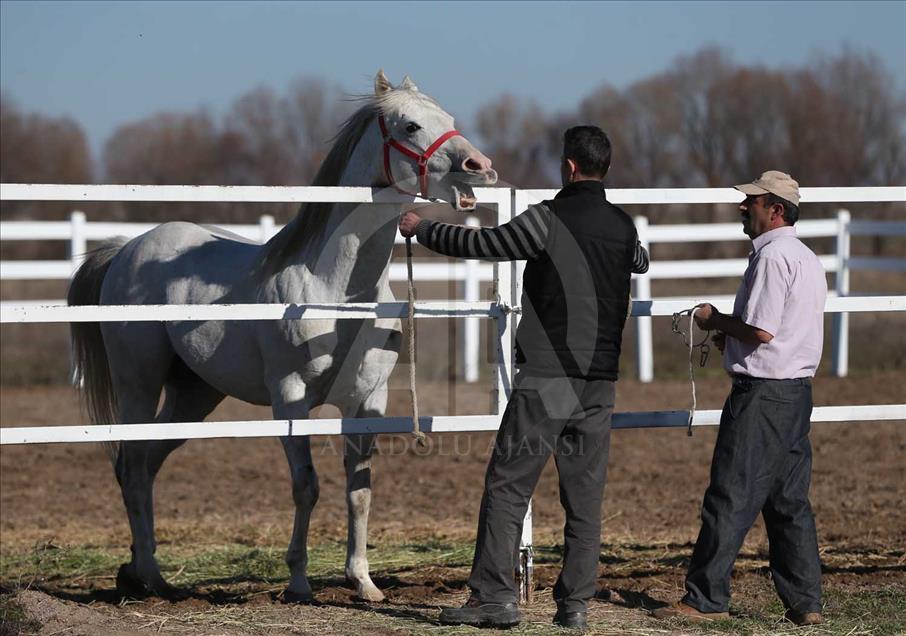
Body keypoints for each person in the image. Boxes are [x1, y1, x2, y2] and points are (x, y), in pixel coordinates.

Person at [399, 126, 650, 629]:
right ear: (604, 168)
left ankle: (494, 597)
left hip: (549, 375)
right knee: (584, 499)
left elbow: (488, 245)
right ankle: (575, 604)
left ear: (570, 167)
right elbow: (639, 261)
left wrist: (422, 228)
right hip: (600, 381)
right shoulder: (623, 227)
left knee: (509, 485)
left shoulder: (548, 219)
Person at [653, 171, 827, 626]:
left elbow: (762, 329)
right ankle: (806, 603)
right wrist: (732, 341)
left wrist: (715, 321)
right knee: (788, 500)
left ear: (776, 210)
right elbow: (782, 332)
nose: (742, 207)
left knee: (729, 494)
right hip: (795, 393)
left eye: (752, 201)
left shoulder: (771, 258)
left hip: (763, 397)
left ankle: (706, 600)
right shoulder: (807, 258)